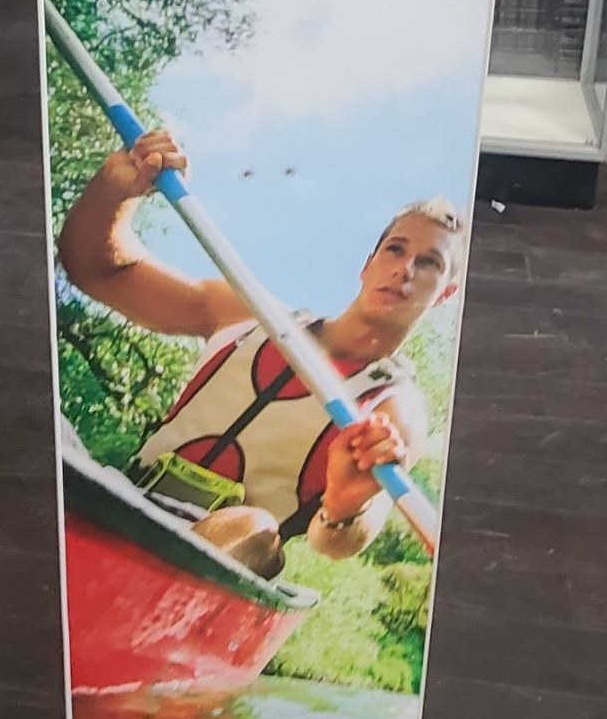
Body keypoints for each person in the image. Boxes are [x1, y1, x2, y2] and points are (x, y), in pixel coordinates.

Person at [58, 131, 464, 569]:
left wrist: (345, 507)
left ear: (445, 294)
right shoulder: (247, 314)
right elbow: (97, 271)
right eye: (395, 249)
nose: (405, 269)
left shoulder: (395, 412)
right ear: (367, 266)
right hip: (122, 501)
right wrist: (115, 189)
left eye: (429, 262)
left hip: (226, 556)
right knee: (51, 426)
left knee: (255, 527)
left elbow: (337, 544)